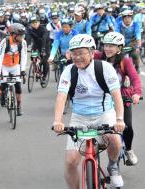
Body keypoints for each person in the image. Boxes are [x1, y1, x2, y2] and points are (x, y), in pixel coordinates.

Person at [53, 34, 125, 189]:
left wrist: (119, 119)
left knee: (115, 138)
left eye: (81, 53)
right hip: (79, 117)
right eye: (74, 53)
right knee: (71, 161)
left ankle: (113, 166)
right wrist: (57, 121)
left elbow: (116, 95)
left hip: (104, 113)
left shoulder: (104, 68)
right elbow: (61, 96)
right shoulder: (69, 71)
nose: (77, 57)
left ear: (92, 53)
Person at [95, 32, 142, 165]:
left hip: (121, 97)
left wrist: (136, 93)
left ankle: (128, 149)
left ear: (119, 48)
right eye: (106, 45)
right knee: (95, 125)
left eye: (112, 46)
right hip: (101, 97)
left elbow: (134, 77)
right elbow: (83, 57)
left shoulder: (125, 61)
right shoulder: (98, 57)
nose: (108, 48)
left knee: (127, 126)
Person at [0, 23, 27, 116]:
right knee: (4, 83)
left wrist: (23, 70)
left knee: (18, 86)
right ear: (13, 34)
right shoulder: (5, 42)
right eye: (20, 35)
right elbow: (0, 56)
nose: (22, 37)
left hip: (15, 66)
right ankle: (2, 96)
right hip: (4, 66)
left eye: (23, 35)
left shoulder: (23, 42)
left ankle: (18, 106)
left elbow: (24, 56)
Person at [27, 15, 51, 84]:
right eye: (33, 23)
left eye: (36, 22)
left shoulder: (43, 29)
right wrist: (27, 46)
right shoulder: (30, 29)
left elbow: (44, 39)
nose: (34, 24)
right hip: (36, 45)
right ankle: (37, 69)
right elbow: (28, 38)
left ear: (39, 22)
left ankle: (44, 76)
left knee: (44, 61)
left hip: (45, 45)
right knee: (33, 57)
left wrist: (43, 49)